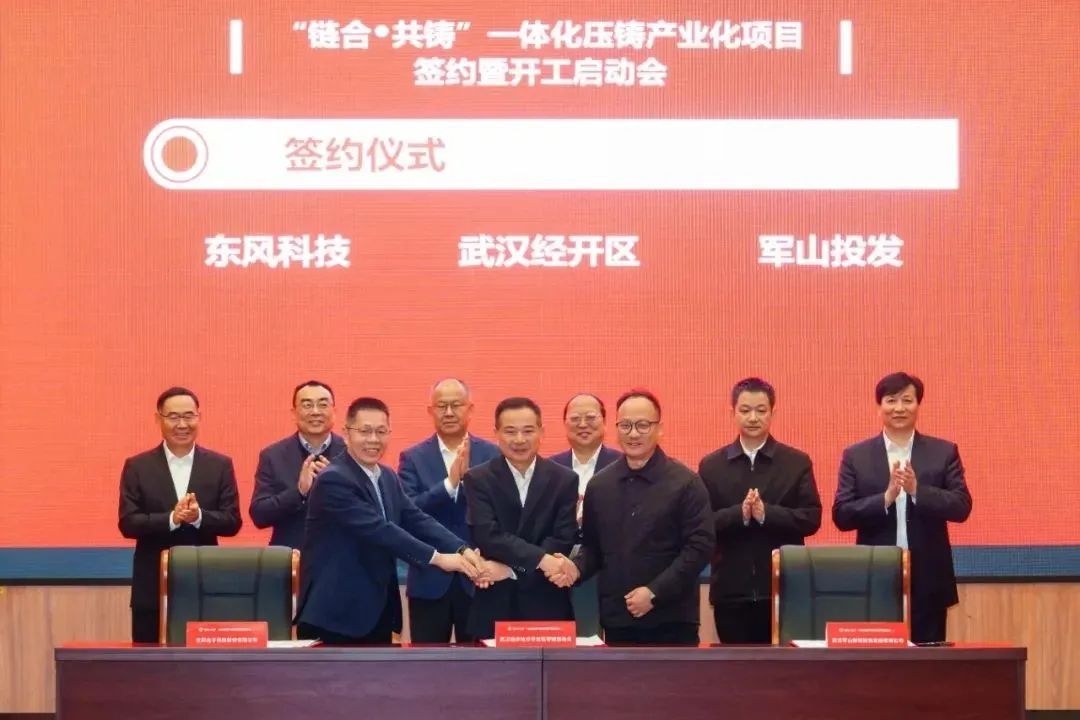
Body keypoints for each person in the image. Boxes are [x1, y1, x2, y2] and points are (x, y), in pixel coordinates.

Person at [296, 397, 483, 644]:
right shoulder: (333, 479)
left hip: (377, 610)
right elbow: (381, 531)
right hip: (336, 613)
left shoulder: (386, 476)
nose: (374, 439)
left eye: (381, 431)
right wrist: (439, 559)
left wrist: (461, 548)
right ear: (347, 434)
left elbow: (416, 518)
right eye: (365, 431)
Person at [565, 389, 714, 646]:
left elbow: (699, 548)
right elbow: (593, 549)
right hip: (618, 622)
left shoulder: (686, 483)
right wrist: (575, 568)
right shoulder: (600, 486)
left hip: (672, 620)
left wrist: (655, 592)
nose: (633, 434)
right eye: (625, 425)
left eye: (643, 425)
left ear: (659, 429)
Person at [833, 372, 973, 643]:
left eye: (907, 400)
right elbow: (841, 514)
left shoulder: (943, 452)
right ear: (879, 406)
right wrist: (885, 498)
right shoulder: (856, 456)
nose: (899, 408)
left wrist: (917, 491)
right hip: (875, 574)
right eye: (891, 400)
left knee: (927, 661)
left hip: (928, 577)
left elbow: (961, 506)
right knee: (877, 659)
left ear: (918, 405)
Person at [698, 377, 821, 644]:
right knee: (737, 667)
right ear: (733, 413)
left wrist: (767, 514)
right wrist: (738, 514)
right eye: (745, 410)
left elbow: (811, 518)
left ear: (772, 413)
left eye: (761, 410)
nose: (753, 418)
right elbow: (702, 524)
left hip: (784, 589)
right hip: (731, 592)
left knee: (784, 666)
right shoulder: (711, 465)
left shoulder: (796, 462)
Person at [118, 387, 242, 643]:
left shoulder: (219, 465)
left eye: (189, 416)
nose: (182, 425)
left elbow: (232, 522)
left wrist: (199, 517)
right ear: (158, 419)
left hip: (205, 586)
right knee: (150, 662)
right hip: (152, 588)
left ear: (199, 417)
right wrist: (171, 519)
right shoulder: (137, 466)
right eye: (173, 417)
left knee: (205, 663)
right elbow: (128, 523)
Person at [464, 397, 579, 640]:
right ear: (496, 433)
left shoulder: (565, 479)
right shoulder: (478, 479)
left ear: (541, 433)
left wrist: (509, 570)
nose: (519, 439)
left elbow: (563, 538)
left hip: (547, 603)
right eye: (510, 431)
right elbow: (488, 536)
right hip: (495, 604)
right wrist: (541, 560)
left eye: (528, 431)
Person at [398, 378, 500, 643]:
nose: (449, 412)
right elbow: (407, 512)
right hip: (429, 579)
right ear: (430, 411)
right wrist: (449, 484)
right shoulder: (412, 457)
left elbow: (501, 513)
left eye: (456, 405)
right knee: (428, 662)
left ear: (470, 409)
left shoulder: (493, 454)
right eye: (442, 406)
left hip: (480, 579)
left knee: (482, 661)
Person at [549, 392, 621, 636]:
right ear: (564, 423)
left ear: (605, 422)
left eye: (590, 418)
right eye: (575, 418)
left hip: (607, 565)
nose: (583, 424)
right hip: (557, 564)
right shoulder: (549, 467)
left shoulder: (622, 465)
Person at [249, 380, 345, 548]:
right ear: (294, 413)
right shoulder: (273, 456)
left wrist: (338, 489)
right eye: (307, 405)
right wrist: (299, 492)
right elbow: (259, 515)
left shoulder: (351, 453)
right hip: (291, 555)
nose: (315, 412)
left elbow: (372, 509)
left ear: (334, 411)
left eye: (323, 405)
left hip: (342, 554)